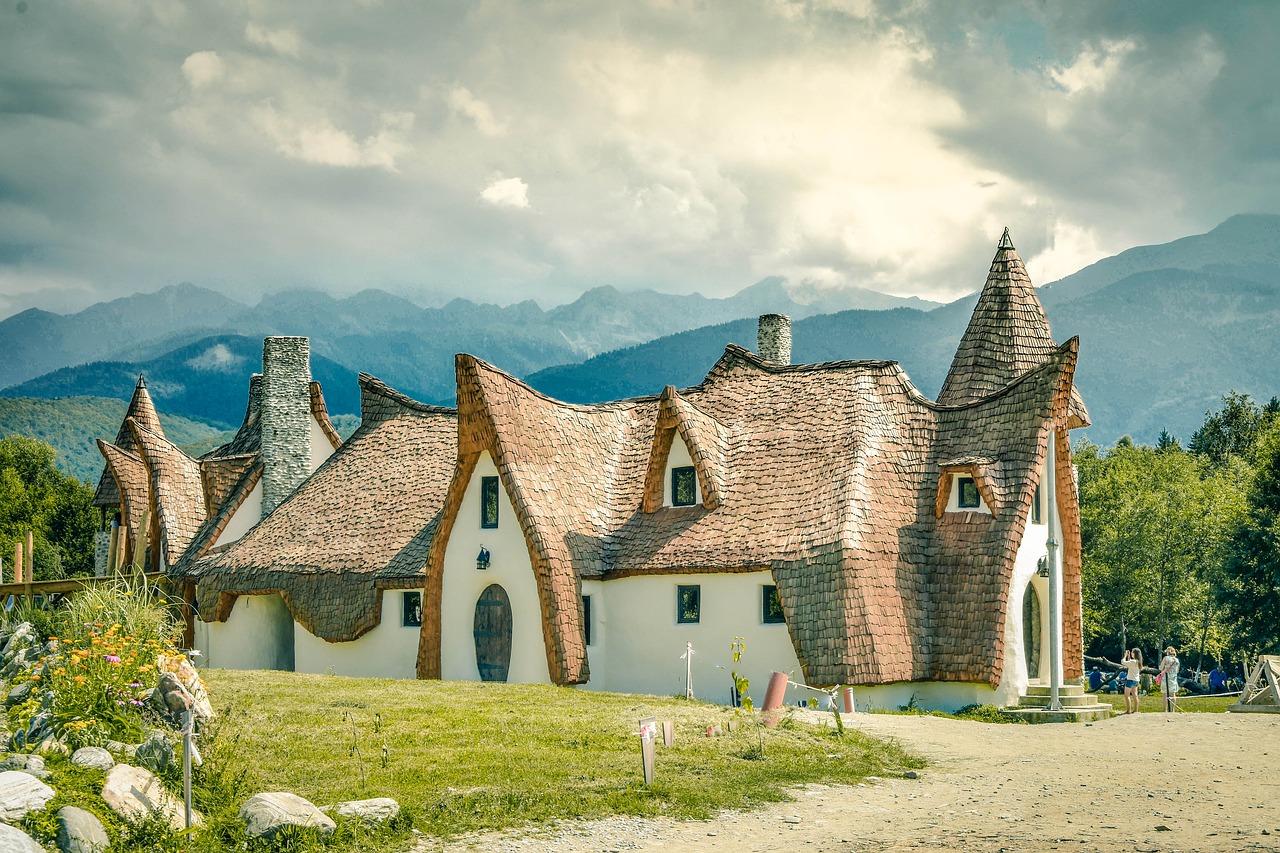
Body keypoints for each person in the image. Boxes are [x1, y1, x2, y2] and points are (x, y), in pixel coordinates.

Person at [1158, 646, 1180, 712]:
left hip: (1166, 678)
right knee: (1173, 694)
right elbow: (1177, 670)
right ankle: (1173, 710)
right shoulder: (1176, 660)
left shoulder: (1166, 658)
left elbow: (1161, 668)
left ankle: (1165, 709)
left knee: (1165, 694)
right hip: (1173, 678)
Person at [1123, 648, 1143, 714]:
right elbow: (1130, 664)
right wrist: (1129, 657)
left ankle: (1129, 710)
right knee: (1135, 695)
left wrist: (1125, 656)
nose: (1131, 653)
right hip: (1136, 680)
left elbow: (1123, 662)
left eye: (1132, 652)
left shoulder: (1133, 662)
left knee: (1127, 695)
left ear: (1135, 653)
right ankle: (1136, 710)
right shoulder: (1138, 662)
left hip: (1130, 680)